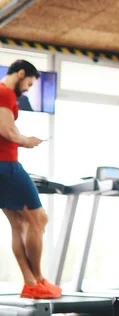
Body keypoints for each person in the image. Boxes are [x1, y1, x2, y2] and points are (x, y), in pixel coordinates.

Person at [0, 59, 62, 299]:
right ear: (21, 73)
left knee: (19, 223)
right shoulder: (4, 92)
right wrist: (28, 140)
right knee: (38, 219)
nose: (27, 88)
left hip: (4, 166)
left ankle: (31, 282)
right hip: (7, 165)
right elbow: (6, 130)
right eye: (29, 83)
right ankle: (37, 279)